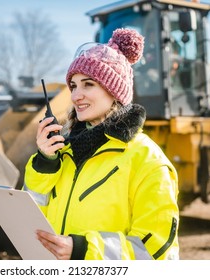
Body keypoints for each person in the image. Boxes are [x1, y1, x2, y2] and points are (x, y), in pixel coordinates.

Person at [23, 28, 179, 260]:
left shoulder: (149, 161)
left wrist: (83, 251)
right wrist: (45, 164)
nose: (76, 96)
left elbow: (156, 252)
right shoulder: (62, 152)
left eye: (88, 84)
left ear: (115, 92)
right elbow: (33, 219)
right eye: (73, 86)